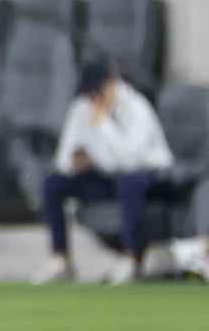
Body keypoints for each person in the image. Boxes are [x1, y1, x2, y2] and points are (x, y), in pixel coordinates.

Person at [34, 61, 175, 285]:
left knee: (129, 182)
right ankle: (60, 258)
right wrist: (76, 162)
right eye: (90, 94)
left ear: (111, 85)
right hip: (107, 176)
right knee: (54, 183)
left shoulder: (137, 107)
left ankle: (133, 258)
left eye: (97, 92)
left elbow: (130, 161)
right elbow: (62, 161)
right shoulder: (82, 106)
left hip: (152, 176)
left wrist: (103, 124)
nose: (93, 99)